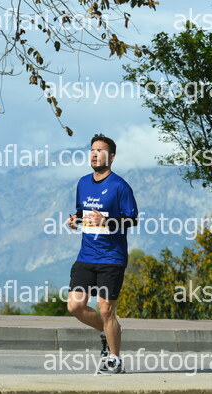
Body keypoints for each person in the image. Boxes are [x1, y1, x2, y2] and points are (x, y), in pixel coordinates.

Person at [66, 134, 138, 374]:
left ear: (112, 157)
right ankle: (106, 332)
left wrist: (107, 221)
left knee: (106, 310)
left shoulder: (120, 186)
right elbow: (81, 211)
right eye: (93, 150)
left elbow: (131, 220)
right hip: (86, 256)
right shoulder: (83, 183)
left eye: (101, 151)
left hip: (112, 258)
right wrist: (74, 220)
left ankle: (115, 361)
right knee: (75, 306)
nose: (95, 154)